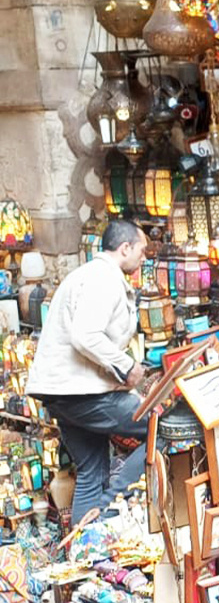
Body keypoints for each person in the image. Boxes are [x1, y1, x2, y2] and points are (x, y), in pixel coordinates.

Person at [27, 219, 149, 524]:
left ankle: (85, 547)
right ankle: (108, 505)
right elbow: (86, 336)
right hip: (81, 395)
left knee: (92, 473)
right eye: (142, 250)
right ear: (125, 248)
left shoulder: (89, 275)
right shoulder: (102, 279)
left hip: (64, 396)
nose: (144, 258)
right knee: (165, 428)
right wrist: (128, 367)